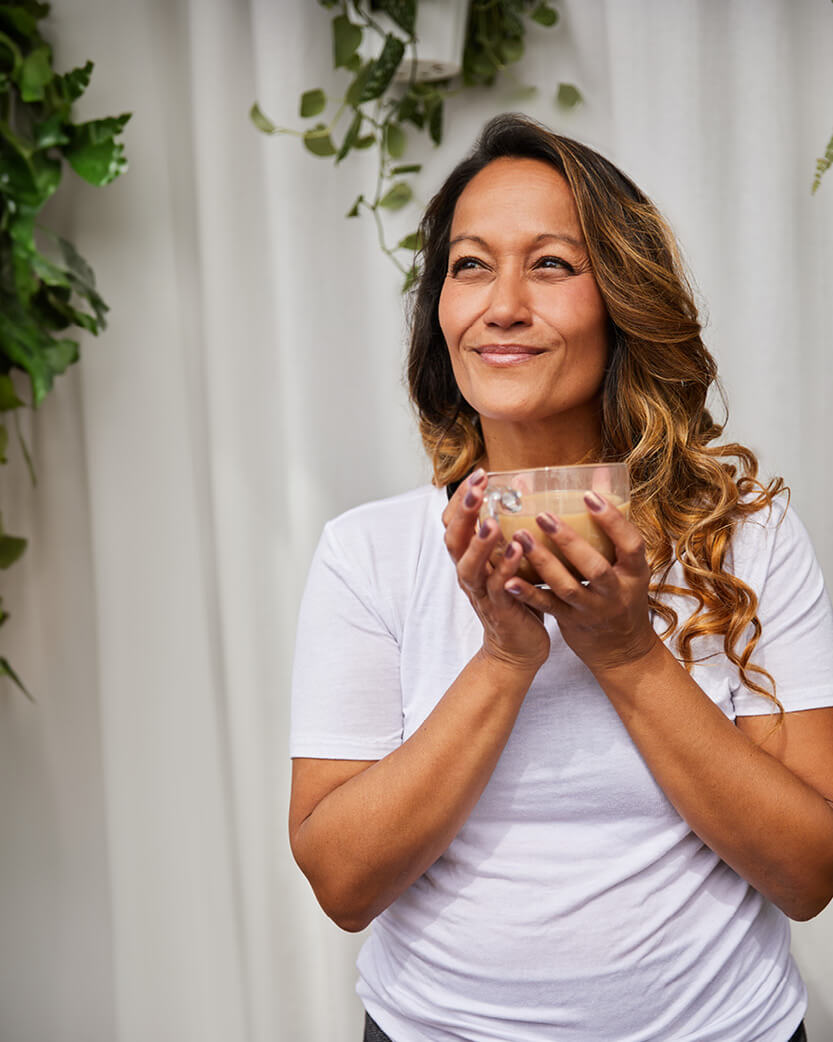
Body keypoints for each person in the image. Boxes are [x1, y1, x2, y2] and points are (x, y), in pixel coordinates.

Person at [289, 114, 833, 1042]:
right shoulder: (367, 552)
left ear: (621, 299)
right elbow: (342, 885)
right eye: (468, 265)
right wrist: (505, 658)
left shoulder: (744, 537)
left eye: (550, 264)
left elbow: (808, 873)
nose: (502, 304)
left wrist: (626, 654)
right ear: (439, 314)